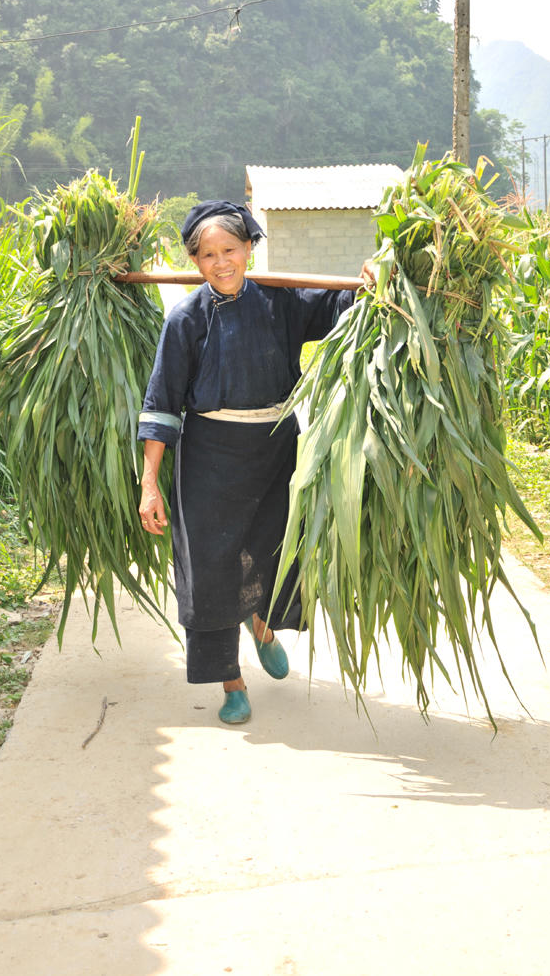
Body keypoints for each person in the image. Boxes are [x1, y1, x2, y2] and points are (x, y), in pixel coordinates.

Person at [138, 199, 373, 725]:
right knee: (211, 569)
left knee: (271, 550)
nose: (221, 262)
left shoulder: (280, 301)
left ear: (249, 249)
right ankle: (232, 682)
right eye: (208, 255)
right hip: (209, 461)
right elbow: (160, 407)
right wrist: (150, 483)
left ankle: (261, 625)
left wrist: (367, 282)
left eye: (230, 250)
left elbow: (341, 309)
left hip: (275, 451)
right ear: (195, 261)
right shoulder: (185, 320)